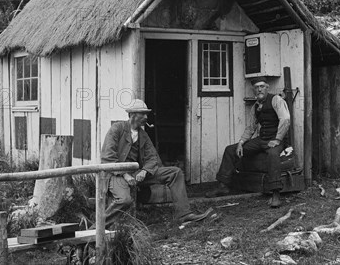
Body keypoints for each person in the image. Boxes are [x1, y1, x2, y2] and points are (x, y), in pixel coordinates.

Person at [101, 99, 210, 227]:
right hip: (117, 174)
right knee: (124, 200)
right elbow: (107, 157)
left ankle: (184, 214)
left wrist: (144, 171)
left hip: (137, 173)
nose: (146, 117)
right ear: (133, 115)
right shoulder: (117, 129)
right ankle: (98, 227)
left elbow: (152, 157)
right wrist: (125, 174)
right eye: (143, 114)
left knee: (175, 173)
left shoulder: (143, 135)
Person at [205, 76, 291, 207]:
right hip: (261, 139)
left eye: (262, 86)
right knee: (230, 150)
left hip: (276, 140)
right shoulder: (255, 106)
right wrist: (241, 142)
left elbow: (285, 120)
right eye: (256, 87)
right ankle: (223, 185)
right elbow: (251, 127)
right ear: (254, 91)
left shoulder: (276, 100)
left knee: (273, 155)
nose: (259, 89)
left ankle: (275, 194)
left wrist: (277, 139)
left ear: (267, 88)